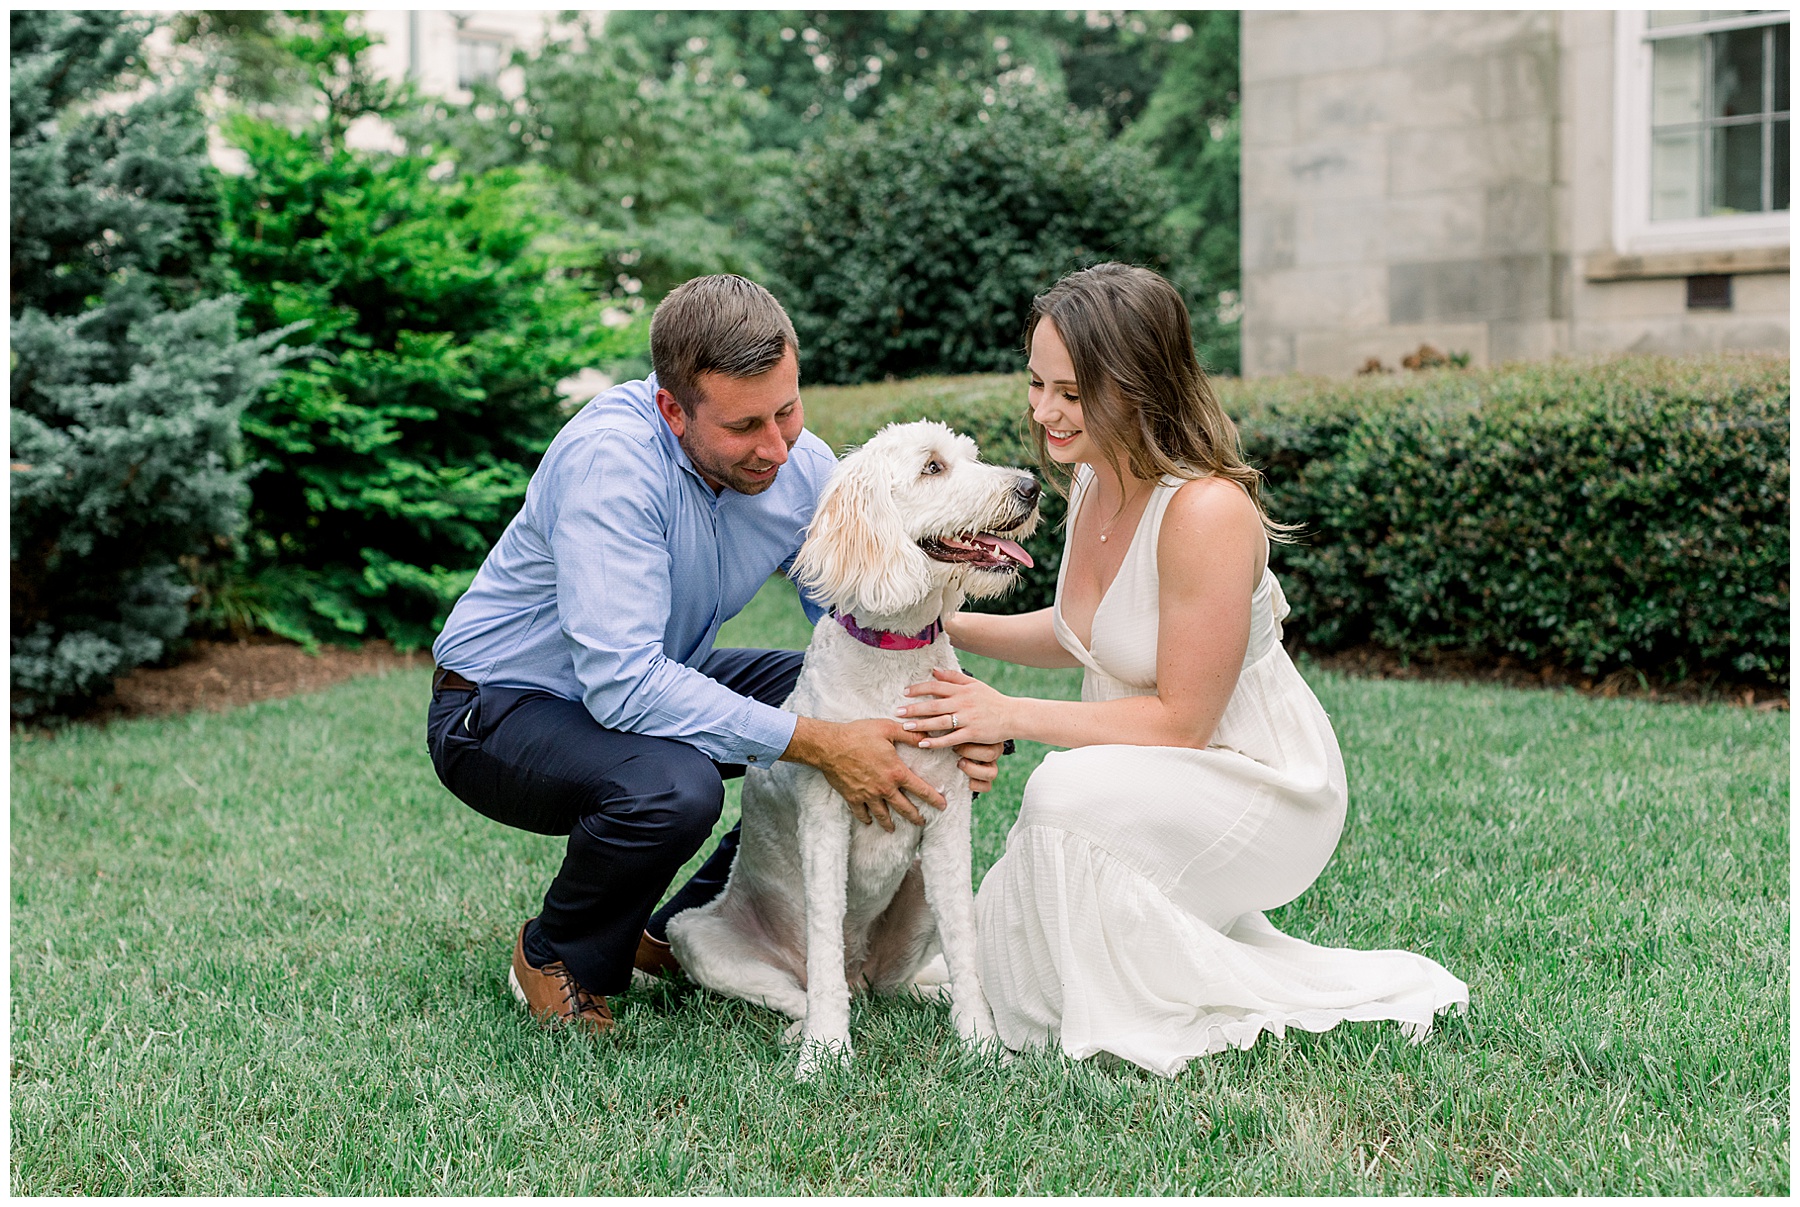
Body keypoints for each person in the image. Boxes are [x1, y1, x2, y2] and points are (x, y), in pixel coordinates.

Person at [892, 263, 1468, 1075]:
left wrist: (1007, 712)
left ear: (1136, 384)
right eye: (1037, 382)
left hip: (1259, 783)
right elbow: (1080, 632)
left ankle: (1131, 993)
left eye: (1071, 389)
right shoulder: (1095, 476)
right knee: (1034, 853)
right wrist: (941, 620)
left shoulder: (1207, 510)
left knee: (1061, 790)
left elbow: (1182, 719)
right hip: (1158, 770)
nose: (1044, 410)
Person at [427, 275, 1005, 1030]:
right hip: (500, 706)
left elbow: (856, 622)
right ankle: (556, 952)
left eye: (787, 410)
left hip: (657, 672)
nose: (776, 446)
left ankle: (686, 926)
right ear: (673, 408)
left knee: (814, 690)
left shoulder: (796, 462)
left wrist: (964, 714)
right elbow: (624, 686)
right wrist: (822, 742)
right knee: (678, 784)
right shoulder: (610, 464)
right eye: (744, 427)